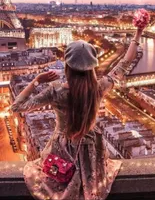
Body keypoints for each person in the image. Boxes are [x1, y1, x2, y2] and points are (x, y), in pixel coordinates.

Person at [11, 27, 143, 200]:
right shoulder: (98, 88)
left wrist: (36, 81)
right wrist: (138, 32)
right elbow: (124, 63)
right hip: (91, 150)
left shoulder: (56, 91)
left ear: (67, 65)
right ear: (92, 67)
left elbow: (17, 107)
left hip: (61, 149)